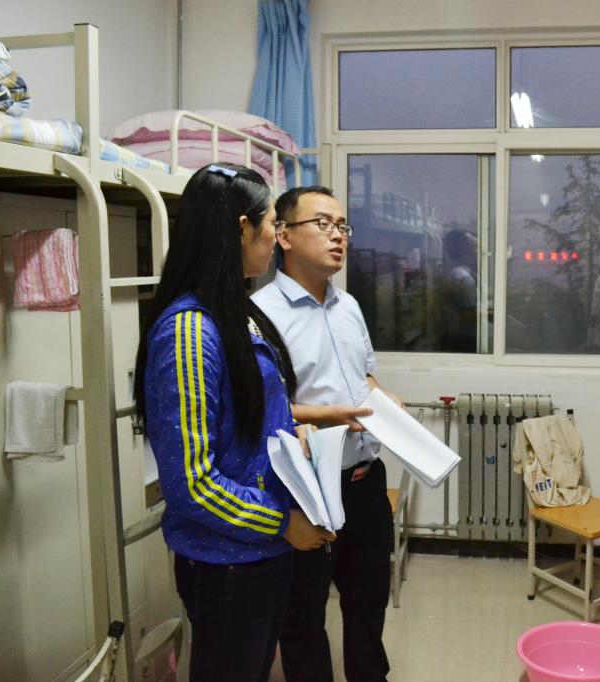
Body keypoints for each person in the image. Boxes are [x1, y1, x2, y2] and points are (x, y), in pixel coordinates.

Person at [133, 164, 334, 682]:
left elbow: (248, 415)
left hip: (259, 555)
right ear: (243, 228)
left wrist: (292, 434)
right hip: (227, 563)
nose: (276, 237)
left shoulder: (235, 314)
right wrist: (282, 523)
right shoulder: (189, 333)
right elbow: (193, 484)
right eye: (271, 224)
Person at [252, 185, 402, 682]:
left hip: (365, 480)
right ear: (284, 235)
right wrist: (328, 416)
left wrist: (383, 399)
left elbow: (364, 377)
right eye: (323, 224)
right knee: (302, 617)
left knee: (368, 604)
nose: (338, 236)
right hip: (308, 489)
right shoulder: (259, 315)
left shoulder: (348, 306)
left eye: (342, 226)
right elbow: (261, 410)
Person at [439, 228, 478, 352]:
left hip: (451, 335)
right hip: (464, 339)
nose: (478, 251)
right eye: (474, 247)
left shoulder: (452, 272)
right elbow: (469, 316)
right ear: (464, 251)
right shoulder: (464, 278)